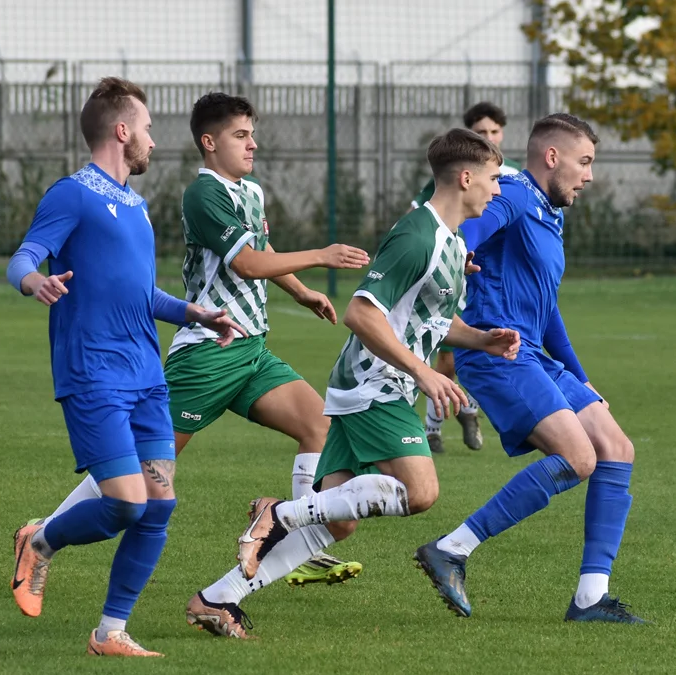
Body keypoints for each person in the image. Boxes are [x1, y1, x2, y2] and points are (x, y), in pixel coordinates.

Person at [183, 128, 519, 639]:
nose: (497, 191)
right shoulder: (417, 235)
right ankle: (279, 511)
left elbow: (428, 320)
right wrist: (423, 371)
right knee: (421, 491)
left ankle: (218, 597)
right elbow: (363, 314)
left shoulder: (450, 243)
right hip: (374, 384)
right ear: (466, 177)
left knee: (336, 523)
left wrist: (481, 339)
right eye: (495, 179)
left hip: (381, 385)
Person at [31, 92, 370, 587]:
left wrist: (299, 292)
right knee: (144, 468)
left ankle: (303, 537)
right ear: (210, 143)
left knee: (318, 425)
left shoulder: (248, 193)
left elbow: (261, 247)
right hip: (209, 355)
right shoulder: (204, 193)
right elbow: (247, 262)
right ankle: (43, 532)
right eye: (241, 135)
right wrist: (321, 255)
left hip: (250, 349)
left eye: (253, 134)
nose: (253, 144)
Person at [5, 77, 243, 657]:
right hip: (94, 374)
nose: (153, 141)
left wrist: (195, 312)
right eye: (147, 129)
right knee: (125, 503)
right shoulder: (72, 195)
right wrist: (35, 280)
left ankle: (110, 633)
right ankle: (40, 540)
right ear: (121, 131)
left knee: (159, 506)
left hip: (146, 377)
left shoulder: (136, 207)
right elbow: (23, 257)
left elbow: (140, 294)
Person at [414, 113, 646, 624]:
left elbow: (547, 308)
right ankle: (453, 548)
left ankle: (589, 599)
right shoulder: (517, 191)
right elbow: (463, 229)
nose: (589, 175)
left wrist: (581, 376)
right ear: (552, 157)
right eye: (583, 162)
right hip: (500, 353)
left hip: (537, 353)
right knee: (579, 457)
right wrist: (464, 257)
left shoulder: (548, 209)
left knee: (615, 449)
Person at [410, 102, 520, 455]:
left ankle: (463, 413)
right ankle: (440, 424)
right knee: (446, 358)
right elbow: (420, 218)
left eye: (494, 131)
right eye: (481, 132)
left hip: (478, 279)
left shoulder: (512, 178)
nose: (488, 137)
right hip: (450, 272)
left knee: (466, 352)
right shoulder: (438, 199)